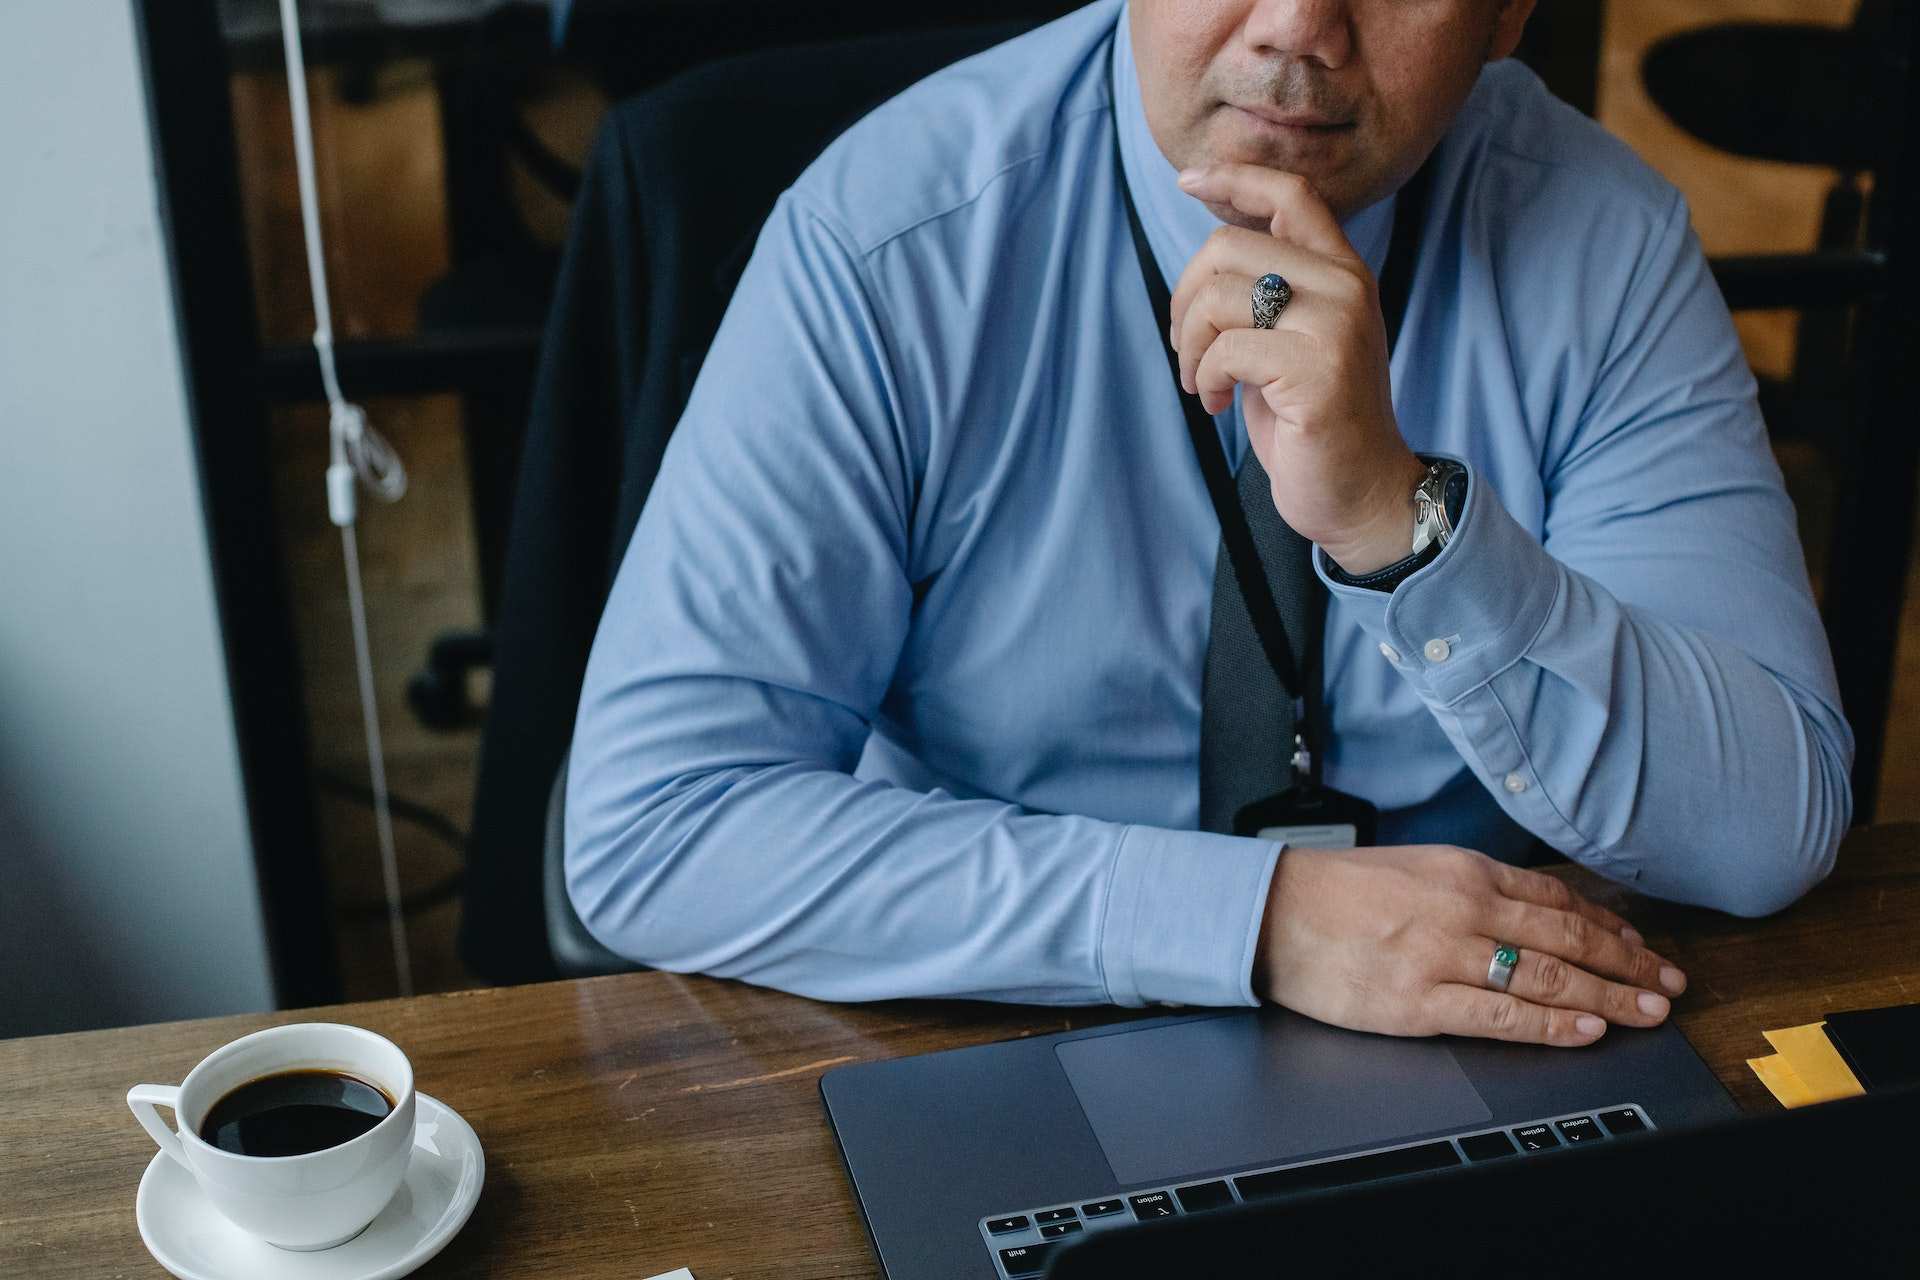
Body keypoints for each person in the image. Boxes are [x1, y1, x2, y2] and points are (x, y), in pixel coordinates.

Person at [565, 0, 1853, 1047]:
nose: (1298, 28)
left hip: (1470, 1027)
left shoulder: (1601, 235)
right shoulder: (886, 245)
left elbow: (1766, 829)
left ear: (1510, 13)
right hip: (990, 1018)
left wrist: (1396, 522)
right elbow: (658, 824)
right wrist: (1265, 922)